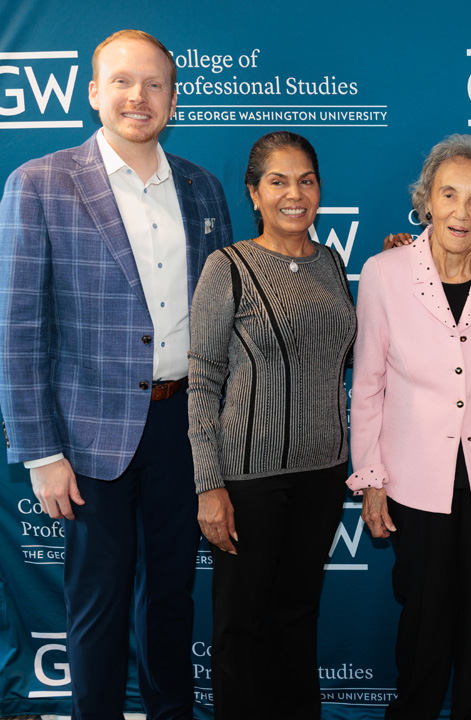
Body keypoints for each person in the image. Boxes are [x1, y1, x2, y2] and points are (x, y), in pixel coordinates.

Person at [0, 30, 232, 719]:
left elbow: (218, 321)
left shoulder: (201, 187)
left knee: (169, 597)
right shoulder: (39, 183)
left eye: (155, 84)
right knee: (97, 605)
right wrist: (41, 453)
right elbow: (19, 329)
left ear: (173, 98)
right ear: (95, 92)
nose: (139, 97)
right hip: (88, 433)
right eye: (123, 82)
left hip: (182, 426)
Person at [348, 134, 471, 720]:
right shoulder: (384, 272)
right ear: (426, 201)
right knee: (424, 609)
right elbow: (367, 385)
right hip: (414, 476)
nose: (461, 211)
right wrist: (371, 477)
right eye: (449, 195)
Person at [187, 131, 354, 718]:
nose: (294, 193)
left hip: (323, 470)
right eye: (278, 181)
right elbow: (203, 378)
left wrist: (410, 262)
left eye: (306, 180)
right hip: (249, 479)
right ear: (253, 193)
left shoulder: (333, 262)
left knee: (296, 615)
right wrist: (210, 486)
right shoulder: (226, 267)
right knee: (240, 626)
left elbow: (347, 352)